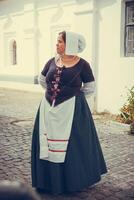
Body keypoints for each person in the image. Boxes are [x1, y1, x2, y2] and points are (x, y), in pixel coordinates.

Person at [31, 31, 107, 195]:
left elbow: (90, 88)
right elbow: (42, 79)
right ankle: (47, 181)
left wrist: (74, 99)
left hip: (72, 110)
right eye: (57, 41)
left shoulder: (83, 65)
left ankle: (72, 181)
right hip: (48, 108)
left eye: (60, 41)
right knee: (47, 143)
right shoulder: (52, 61)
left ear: (69, 44)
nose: (56, 44)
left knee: (73, 145)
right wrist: (52, 93)